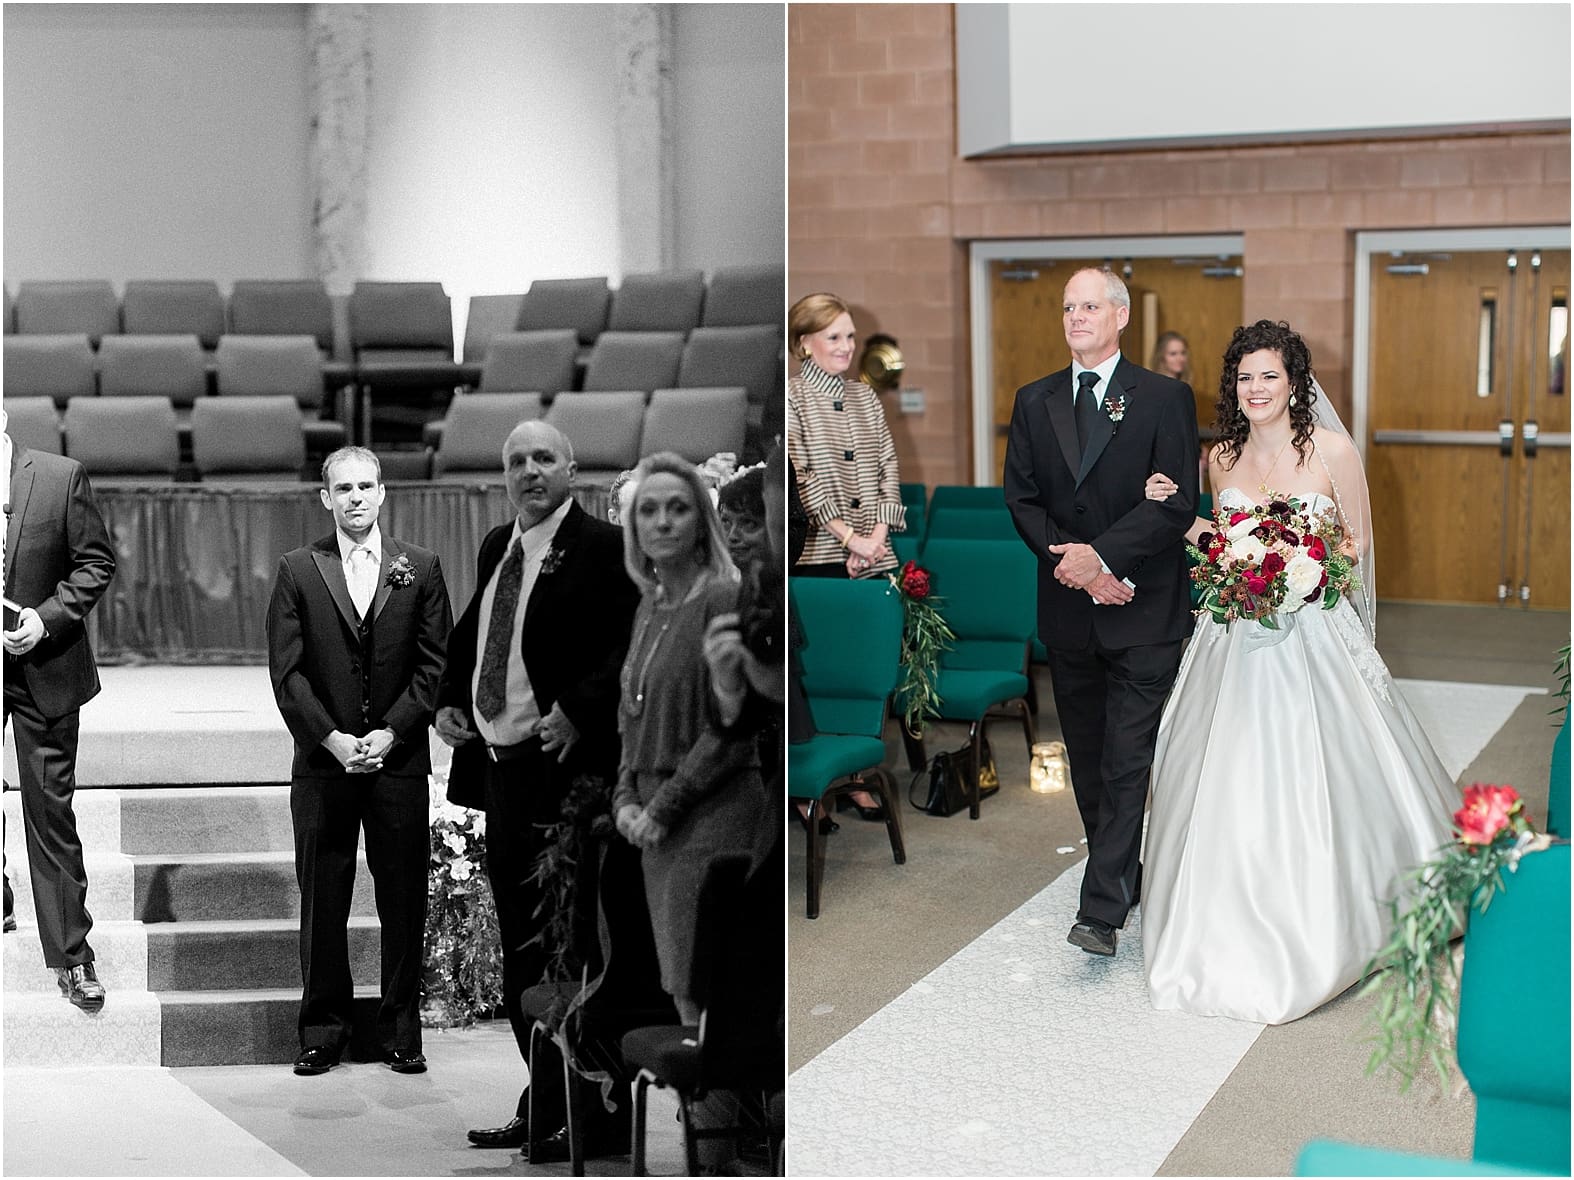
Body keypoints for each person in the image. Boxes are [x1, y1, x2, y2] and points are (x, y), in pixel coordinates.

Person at [1138, 319, 1457, 1024]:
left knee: (1329, 770)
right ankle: (1217, 922)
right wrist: (1182, 517)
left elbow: (1358, 540)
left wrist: (1303, 572)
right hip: (1233, 635)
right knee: (1220, 774)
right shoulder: (1219, 458)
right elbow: (1216, 537)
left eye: (1269, 377)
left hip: (1312, 628)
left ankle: (1338, 917)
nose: (1256, 389)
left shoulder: (1333, 450)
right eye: (1245, 377)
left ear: (1294, 383)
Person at [435, 419, 639, 1160]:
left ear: (573, 469)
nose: (529, 470)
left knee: (570, 949)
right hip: (505, 776)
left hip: (568, 780)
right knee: (524, 952)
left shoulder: (606, 549)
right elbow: (472, 638)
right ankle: (545, 1097)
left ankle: (593, 1109)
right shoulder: (500, 546)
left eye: (543, 457)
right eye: (517, 460)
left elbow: (630, 646)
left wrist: (579, 710)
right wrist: (449, 698)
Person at [1002, 266, 1200, 958]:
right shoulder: (1036, 399)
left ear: (1119, 315)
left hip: (1144, 607)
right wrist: (1079, 570)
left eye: (1089, 306)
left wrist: (1106, 561)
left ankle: (1101, 910)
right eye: (1068, 307)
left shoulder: (1165, 397)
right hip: (1071, 609)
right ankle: (1119, 869)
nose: (1076, 317)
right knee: (1087, 758)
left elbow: (1175, 502)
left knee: (1126, 759)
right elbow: (1023, 499)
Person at [265, 446, 452, 1076]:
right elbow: (287, 676)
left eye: (365, 486)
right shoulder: (298, 569)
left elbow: (434, 668)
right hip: (324, 766)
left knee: (404, 899)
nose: (355, 498)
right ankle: (323, 1030)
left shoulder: (419, 568)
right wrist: (335, 740)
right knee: (323, 899)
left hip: (397, 765)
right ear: (325, 497)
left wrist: (392, 734)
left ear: (382, 492)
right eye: (342, 488)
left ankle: (402, 1030)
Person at [614, 452, 775, 1172]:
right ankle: (713, 1154)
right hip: (652, 822)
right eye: (648, 509)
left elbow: (729, 731)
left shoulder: (722, 594)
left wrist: (663, 806)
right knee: (684, 994)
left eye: (677, 507)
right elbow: (632, 716)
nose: (662, 521)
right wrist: (624, 797)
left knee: (710, 999)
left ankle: (730, 1158)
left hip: (709, 817)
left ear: (701, 517)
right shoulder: (651, 601)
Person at [3, 410, 117, 1010]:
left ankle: (73, 955)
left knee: (49, 810)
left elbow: (95, 563)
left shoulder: (58, 476)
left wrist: (42, 621)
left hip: (41, 667)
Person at [787, 292, 903, 820]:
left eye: (850, 337)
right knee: (822, 670)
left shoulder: (865, 396)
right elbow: (802, 475)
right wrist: (848, 540)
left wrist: (874, 539)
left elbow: (886, 465)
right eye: (833, 337)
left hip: (873, 553)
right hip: (818, 553)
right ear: (805, 343)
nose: (846, 347)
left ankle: (856, 778)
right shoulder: (792, 399)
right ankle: (816, 785)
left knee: (865, 669)